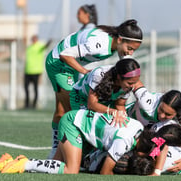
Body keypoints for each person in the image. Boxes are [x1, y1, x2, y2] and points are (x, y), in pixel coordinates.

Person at [46, 19, 143, 159]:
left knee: (63, 110)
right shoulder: (100, 44)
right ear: (120, 39)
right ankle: (57, 154)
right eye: (130, 48)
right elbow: (65, 54)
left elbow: (125, 69)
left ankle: (63, 152)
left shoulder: (117, 43)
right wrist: (84, 71)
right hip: (59, 64)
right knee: (69, 113)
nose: (131, 53)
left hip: (72, 65)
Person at [0, 109, 159, 175]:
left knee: (55, 165)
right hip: (73, 125)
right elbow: (106, 172)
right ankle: (25, 164)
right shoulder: (124, 142)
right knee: (71, 170)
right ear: (141, 151)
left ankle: (9, 161)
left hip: (77, 120)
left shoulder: (138, 127)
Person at [48, 58, 141, 160]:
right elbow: (92, 105)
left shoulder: (128, 85)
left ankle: (86, 158)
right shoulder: (99, 75)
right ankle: (59, 156)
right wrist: (113, 112)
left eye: (135, 82)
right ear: (119, 77)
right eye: (130, 83)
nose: (132, 86)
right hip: (81, 98)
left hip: (103, 102)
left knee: (106, 126)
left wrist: (123, 119)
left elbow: (120, 105)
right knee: (87, 127)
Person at [24, 35, 51, 109]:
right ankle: (26, 104)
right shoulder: (29, 47)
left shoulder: (39, 46)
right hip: (27, 70)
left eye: (34, 38)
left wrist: (49, 42)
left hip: (36, 71)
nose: (33, 40)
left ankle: (34, 104)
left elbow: (45, 46)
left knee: (35, 88)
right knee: (26, 88)